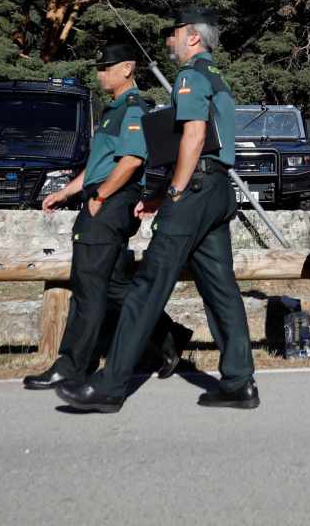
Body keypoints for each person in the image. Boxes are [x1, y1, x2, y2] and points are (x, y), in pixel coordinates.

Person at [57, 7, 258, 413]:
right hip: (218, 191)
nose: (168, 40)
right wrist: (165, 191)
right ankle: (239, 382)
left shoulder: (191, 76)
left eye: (174, 32)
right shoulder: (217, 78)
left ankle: (110, 387)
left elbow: (195, 135)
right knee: (221, 289)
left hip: (196, 190)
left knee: (146, 286)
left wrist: (176, 191)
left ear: (194, 38)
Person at [22, 41, 191, 392]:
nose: (100, 73)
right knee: (115, 288)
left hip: (109, 204)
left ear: (127, 69)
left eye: (106, 67)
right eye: (99, 68)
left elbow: (131, 161)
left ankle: (72, 366)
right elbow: (100, 164)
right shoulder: (114, 109)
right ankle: (167, 338)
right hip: (106, 199)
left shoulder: (132, 108)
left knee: (87, 288)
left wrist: (99, 196)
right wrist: (66, 192)